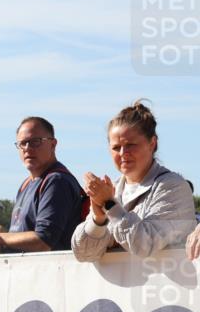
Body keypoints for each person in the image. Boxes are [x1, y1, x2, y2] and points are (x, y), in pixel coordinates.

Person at [73, 101, 196, 261]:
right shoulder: (114, 189)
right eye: (116, 148)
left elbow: (144, 244)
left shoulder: (173, 186)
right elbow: (84, 254)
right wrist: (98, 219)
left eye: (130, 145)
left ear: (152, 143)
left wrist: (109, 204)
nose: (123, 153)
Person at [0, 117, 84, 253]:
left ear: (53, 144)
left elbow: (44, 241)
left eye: (35, 142)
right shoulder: (26, 184)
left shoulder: (57, 181)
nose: (27, 148)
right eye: (22, 143)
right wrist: (2, 246)